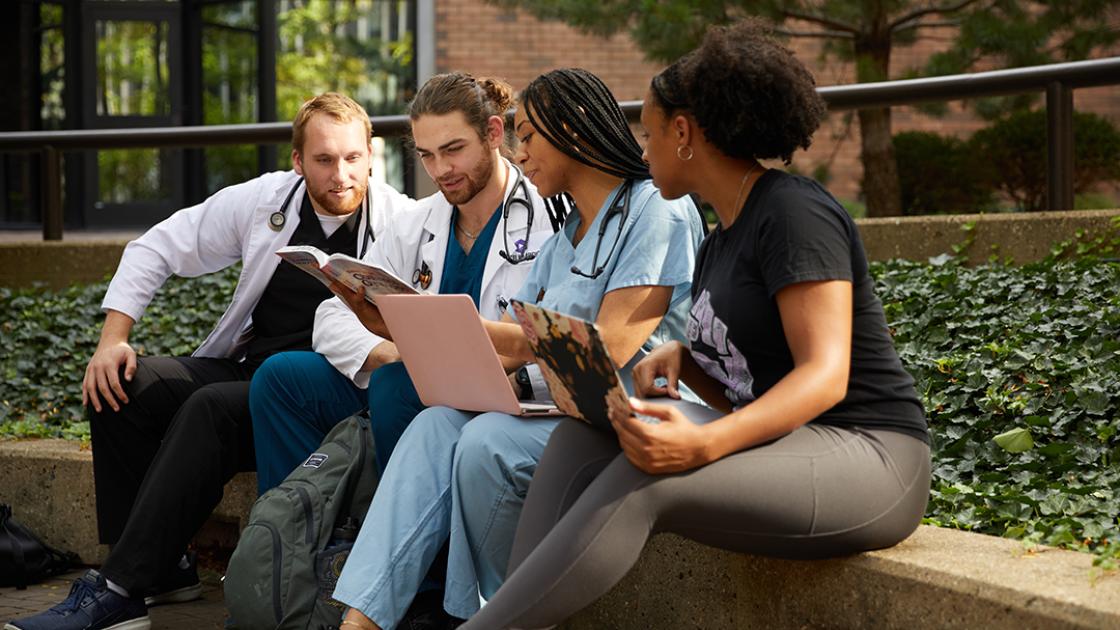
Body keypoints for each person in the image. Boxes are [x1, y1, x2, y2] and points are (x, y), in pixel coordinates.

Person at [456, 20, 933, 629]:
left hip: (872, 458)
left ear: (684, 133)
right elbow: (747, 381)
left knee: (649, 475)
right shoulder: (718, 243)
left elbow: (825, 376)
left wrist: (703, 442)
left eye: (650, 133)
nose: (642, 148)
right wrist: (687, 365)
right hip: (788, 446)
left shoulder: (794, 212)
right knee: (586, 434)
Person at [5, 93, 414, 630]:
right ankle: (162, 571)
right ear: (297, 161)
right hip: (253, 370)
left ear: (371, 154)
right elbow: (157, 246)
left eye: (353, 158)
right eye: (323, 159)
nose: (341, 175)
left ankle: (119, 588)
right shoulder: (267, 199)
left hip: (328, 390)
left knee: (211, 408)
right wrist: (113, 340)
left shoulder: (404, 221)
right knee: (126, 383)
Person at [328, 67, 706, 630]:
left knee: (485, 440)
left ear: (573, 130)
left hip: (633, 411)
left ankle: (502, 615)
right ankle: (359, 622)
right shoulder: (562, 240)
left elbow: (612, 347)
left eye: (528, 137)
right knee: (435, 426)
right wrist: (390, 326)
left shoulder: (657, 210)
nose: (520, 154)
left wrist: (482, 334)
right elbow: (508, 351)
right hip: (561, 409)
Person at [248, 73, 563, 496]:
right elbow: (330, 316)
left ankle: (403, 539)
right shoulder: (416, 223)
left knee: (397, 385)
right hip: (410, 383)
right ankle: (302, 538)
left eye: (453, 150)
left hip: (498, 396)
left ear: (493, 132)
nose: (441, 171)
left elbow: (568, 338)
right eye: (427, 156)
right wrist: (395, 352)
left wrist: (427, 368)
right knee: (281, 378)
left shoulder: (551, 219)